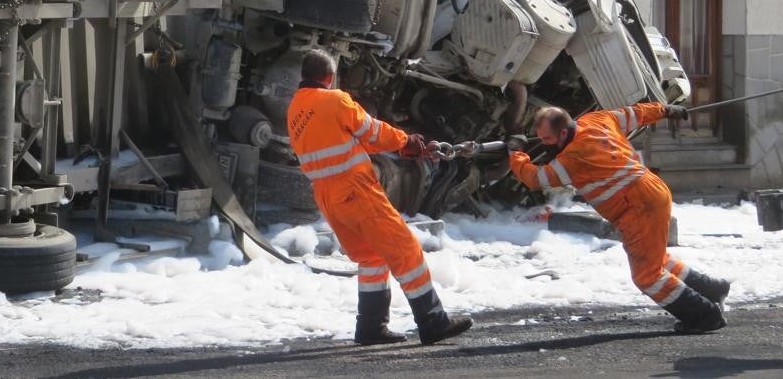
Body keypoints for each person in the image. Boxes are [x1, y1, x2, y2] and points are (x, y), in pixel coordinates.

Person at [287, 49, 472, 346]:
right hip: (356, 189)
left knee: (371, 257)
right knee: (405, 247)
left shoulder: (295, 109)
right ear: (331, 77)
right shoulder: (335, 99)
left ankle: (370, 327)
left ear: (303, 76)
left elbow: (341, 142)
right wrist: (407, 142)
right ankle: (432, 321)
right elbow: (370, 132)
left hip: (327, 197)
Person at [505, 103, 731, 334]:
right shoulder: (597, 120)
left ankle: (704, 316)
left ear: (563, 133)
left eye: (548, 139)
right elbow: (636, 114)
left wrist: (516, 153)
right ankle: (711, 289)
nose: (544, 144)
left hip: (637, 205)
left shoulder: (575, 155)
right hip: (652, 191)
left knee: (647, 276)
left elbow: (536, 178)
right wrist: (665, 109)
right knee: (655, 259)